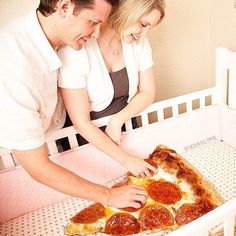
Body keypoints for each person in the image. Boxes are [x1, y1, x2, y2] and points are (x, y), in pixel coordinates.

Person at [0, 0, 150, 210]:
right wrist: (108, 195)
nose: (97, 34)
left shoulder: (46, 39)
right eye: (93, 22)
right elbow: (38, 168)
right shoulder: (13, 70)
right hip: (21, 166)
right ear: (64, 7)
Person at [58, 0, 165, 177]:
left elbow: (148, 92)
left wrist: (117, 121)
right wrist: (126, 159)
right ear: (125, 11)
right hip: (88, 137)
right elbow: (81, 122)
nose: (144, 34)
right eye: (143, 24)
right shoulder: (77, 48)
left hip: (125, 124)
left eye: (149, 28)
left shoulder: (139, 43)